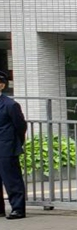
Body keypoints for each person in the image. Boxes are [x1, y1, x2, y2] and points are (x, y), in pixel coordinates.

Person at [0, 72, 28, 220]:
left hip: (6, 146)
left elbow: (20, 125)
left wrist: (15, 142)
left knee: (11, 179)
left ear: (2, 85)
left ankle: (18, 209)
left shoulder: (10, 104)